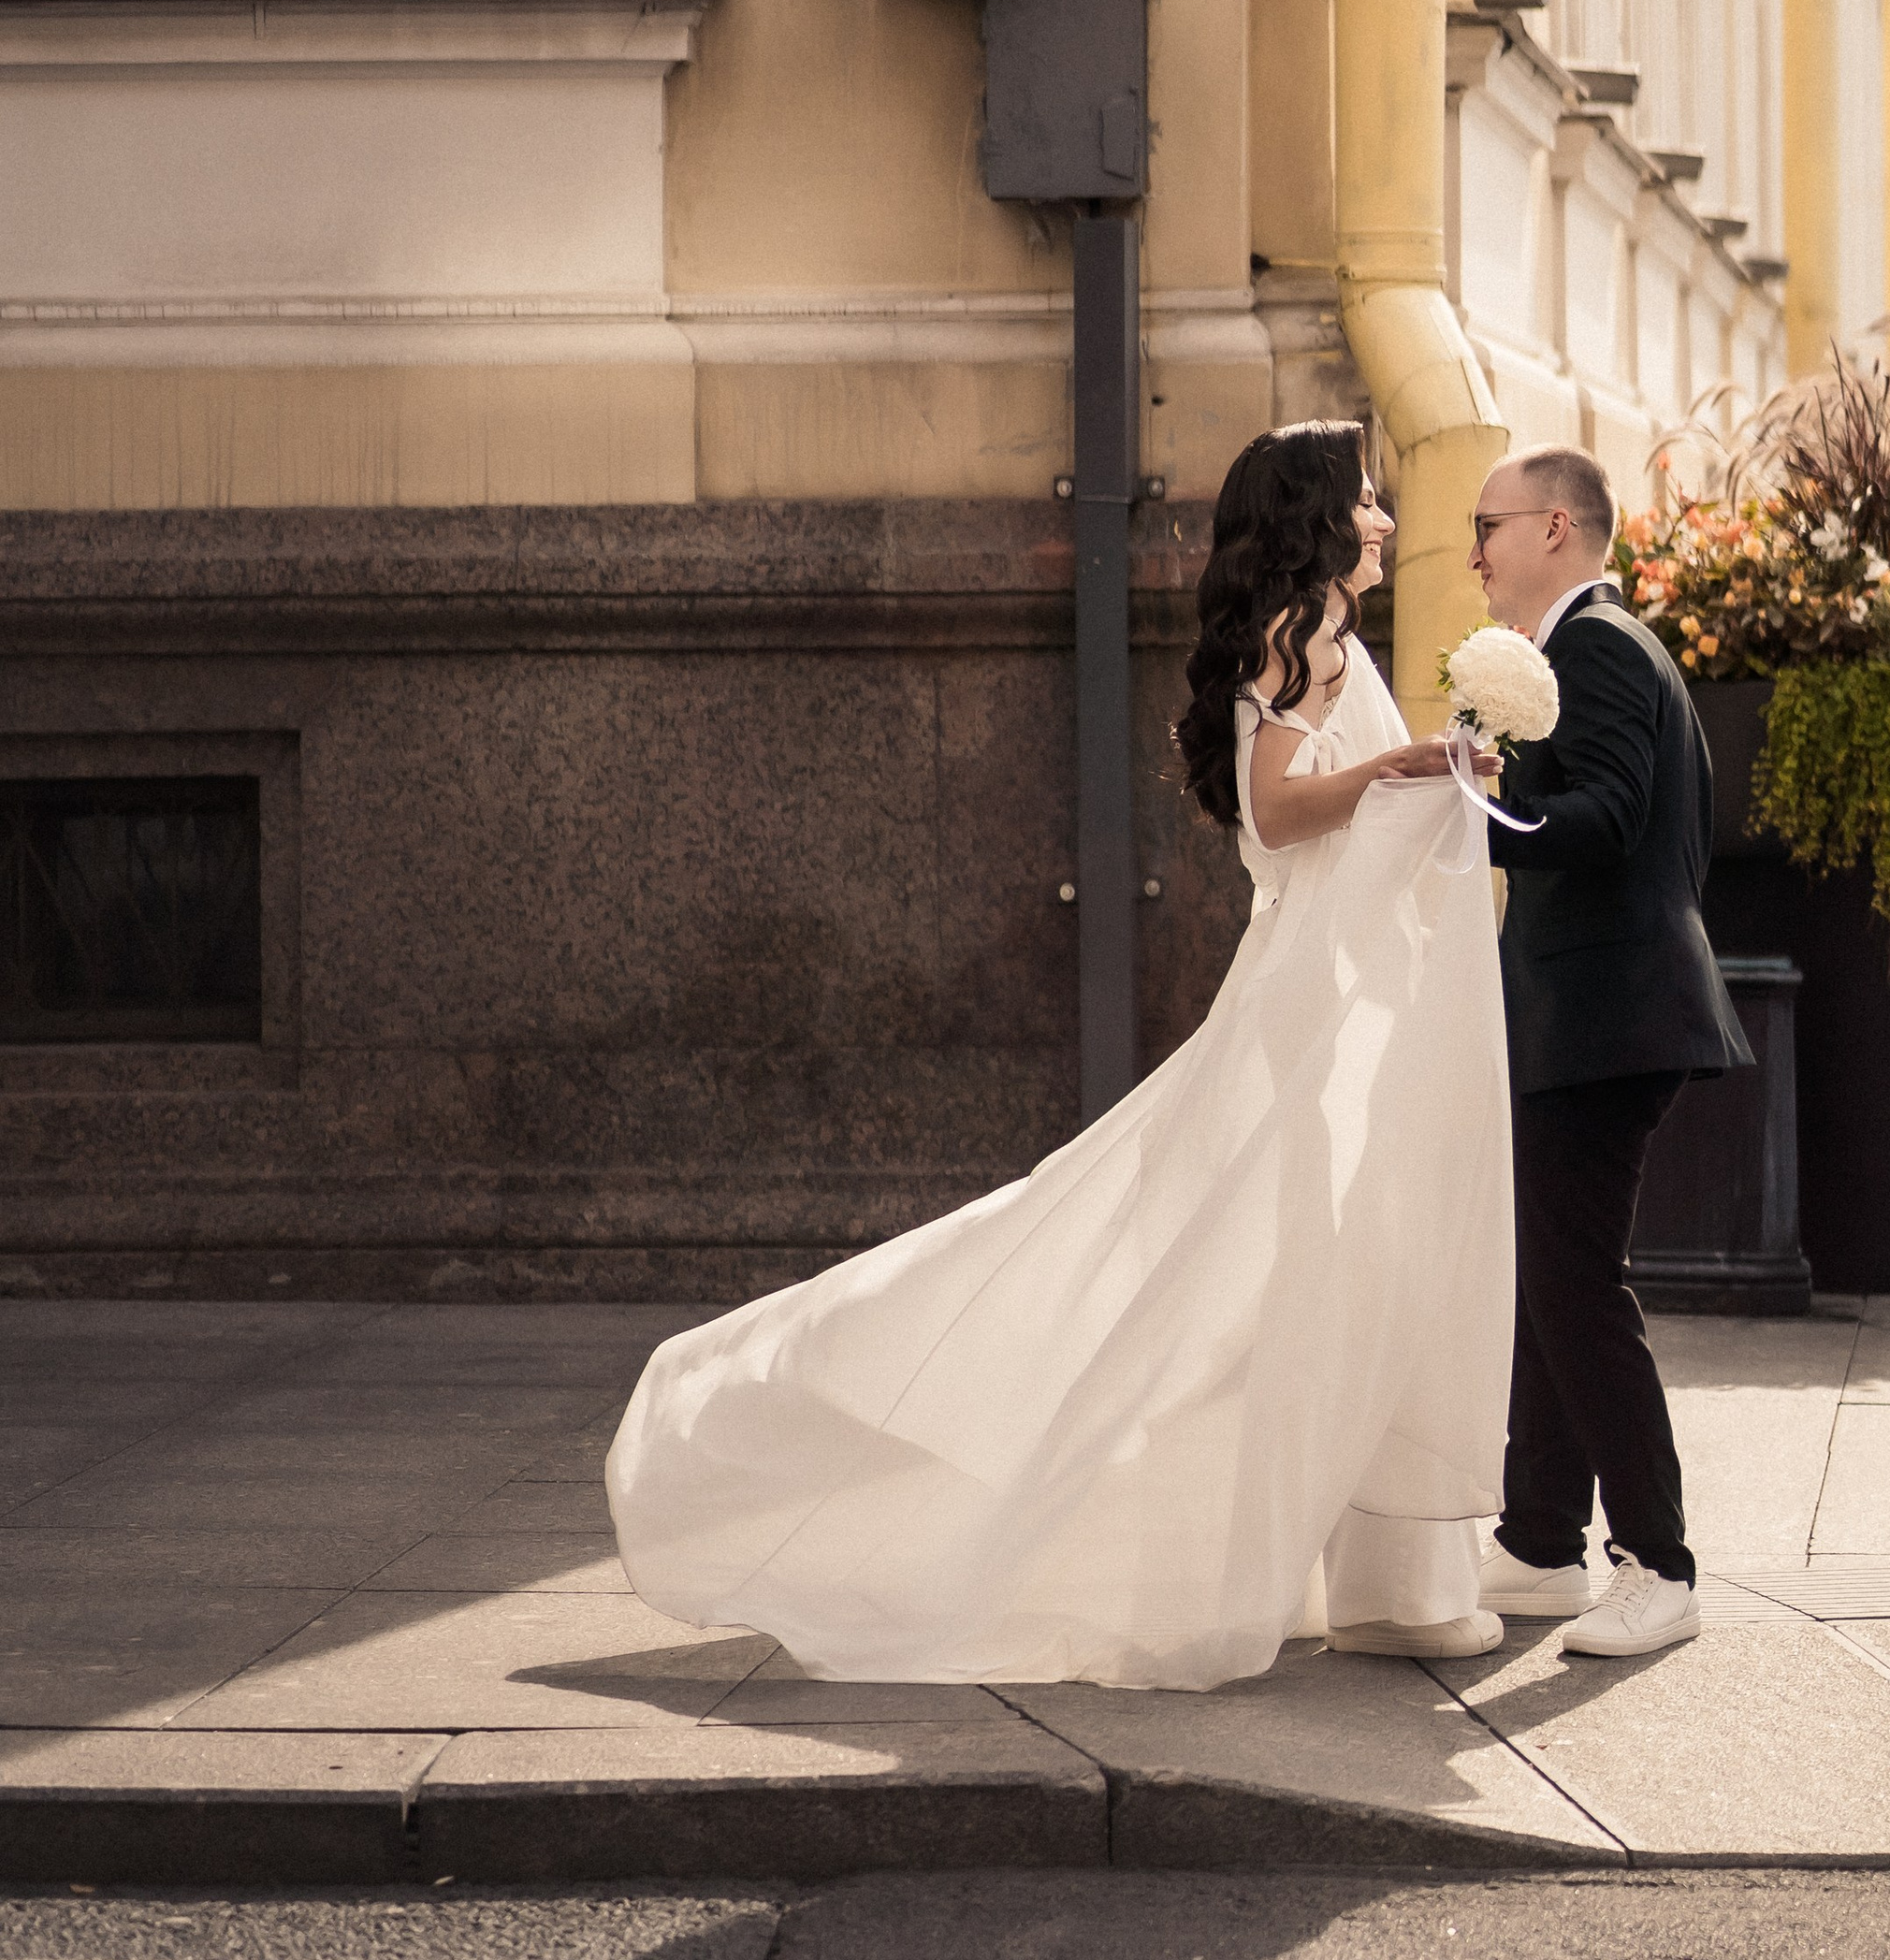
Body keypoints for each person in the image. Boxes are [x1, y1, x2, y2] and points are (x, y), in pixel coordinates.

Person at [606, 419, 1513, 1688]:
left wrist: (1414, 776)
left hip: (1329, 994)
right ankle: (1285, 1571)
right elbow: (1272, 810)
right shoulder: (1300, 634)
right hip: (1299, 1007)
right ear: (1314, 518)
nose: (1380, 519)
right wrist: (1401, 769)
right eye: (1364, 498)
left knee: (1330, 1279)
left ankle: (1369, 1577)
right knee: (1275, 1277)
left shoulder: (1333, 638)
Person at [1464, 443, 1752, 1661]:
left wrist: (1468, 802)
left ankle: (1660, 1562)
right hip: (1590, 1018)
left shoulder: (1597, 646)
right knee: (1550, 1275)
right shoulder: (1594, 649)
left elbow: (1612, 815)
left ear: (1555, 528)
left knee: (1576, 1284)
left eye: (1489, 521)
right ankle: (1540, 1541)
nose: (1472, 546)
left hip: (1608, 1022)